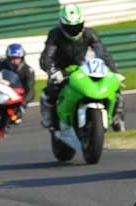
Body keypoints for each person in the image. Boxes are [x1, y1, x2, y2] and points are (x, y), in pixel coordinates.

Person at [39, 3, 125, 131]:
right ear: (62, 25)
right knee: (51, 91)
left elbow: (103, 54)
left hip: (83, 67)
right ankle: (49, 118)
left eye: (77, 26)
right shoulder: (55, 35)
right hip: (61, 69)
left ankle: (117, 116)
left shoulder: (90, 34)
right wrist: (53, 71)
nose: (74, 30)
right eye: (70, 27)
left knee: (114, 86)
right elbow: (47, 56)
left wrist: (114, 72)